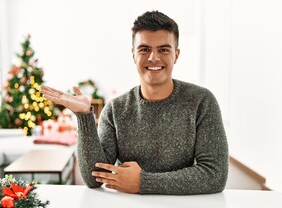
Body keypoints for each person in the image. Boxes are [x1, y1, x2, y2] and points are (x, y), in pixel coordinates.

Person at [41, 10, 228, 195]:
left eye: (163, 49)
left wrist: (143, 182)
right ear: (133, 55)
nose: (153, 58)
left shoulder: (201, 101)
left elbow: (215, 175)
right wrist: (84, 116)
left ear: (176, 55)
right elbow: (94, 178)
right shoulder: (115, 109)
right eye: (144, 49)